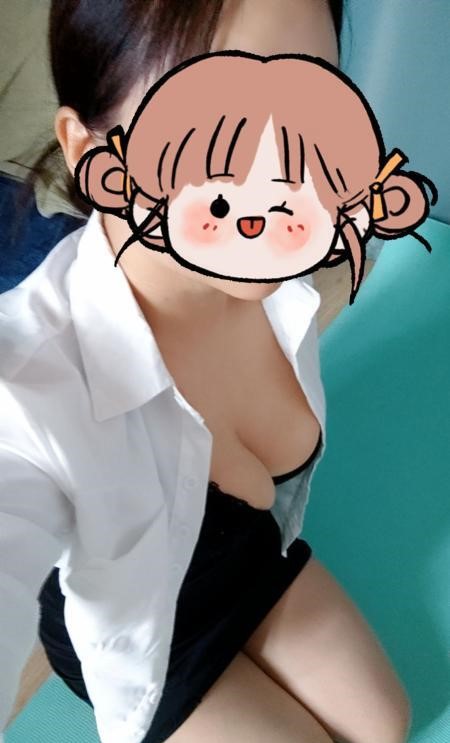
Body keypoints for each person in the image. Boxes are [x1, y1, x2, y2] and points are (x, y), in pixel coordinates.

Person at [0, 2, 427, 742]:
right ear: (90, 149)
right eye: (215, 137)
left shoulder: (283, 273)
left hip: (245, 557)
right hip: (145, 640)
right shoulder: (32, 393)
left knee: (382, 721)